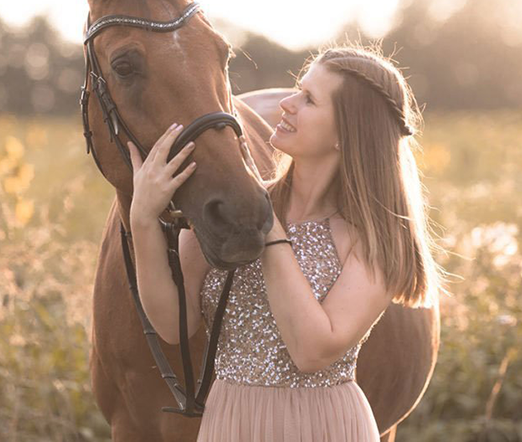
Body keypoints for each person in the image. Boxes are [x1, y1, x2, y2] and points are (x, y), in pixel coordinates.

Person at [127, 45, 444, 441]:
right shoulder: (234, 212)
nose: (286, 104)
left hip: (322, 427)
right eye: (298, 89)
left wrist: (270, 227)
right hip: (231, 424)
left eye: (309, 99)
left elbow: (313, 350)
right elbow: (173, 324)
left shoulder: (377, 237)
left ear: (347, 132)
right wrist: (141, 219)